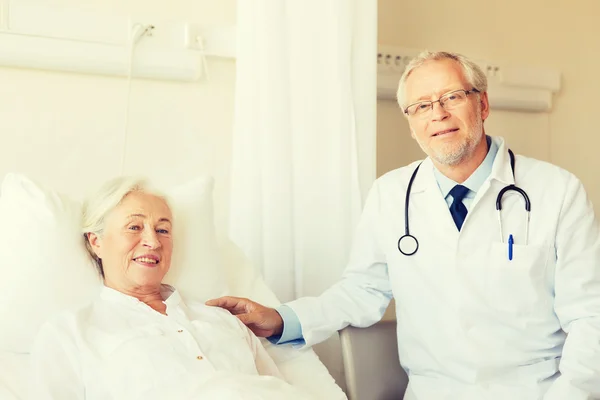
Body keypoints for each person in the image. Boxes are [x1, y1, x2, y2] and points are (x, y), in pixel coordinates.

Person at [208, 51, 600, 399]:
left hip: (534, 391)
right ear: (411, 123)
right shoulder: (391, 194)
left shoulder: (557, 191)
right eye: (421, 106)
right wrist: (281, 319)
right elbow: (362, 291)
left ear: (482, 105)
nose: (438, 114)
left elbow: (590, 315)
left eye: (452, 97)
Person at [28, 177, 312, 400]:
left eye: (162, 230)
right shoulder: (70, 333)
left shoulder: (221, 319)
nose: (152, 241)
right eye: (135, 227)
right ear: (96, 242)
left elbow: (279, 389)